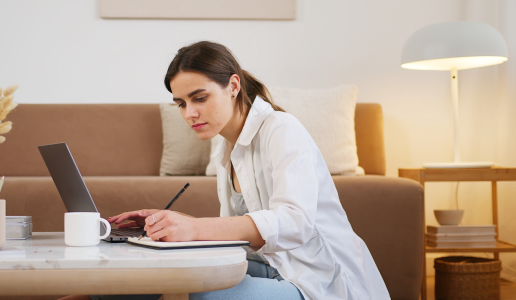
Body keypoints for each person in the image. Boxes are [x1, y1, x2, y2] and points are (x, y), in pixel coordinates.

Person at [63, 41, 390, 300]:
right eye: (180, 103)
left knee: (193, 292)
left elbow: (295, 223)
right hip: (265, 267)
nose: (189, 113)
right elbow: (235, 234)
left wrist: (195, 229)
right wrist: (167, 223)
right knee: (130, 281)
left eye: (199, 98)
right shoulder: (225, 147)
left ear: (233, 86)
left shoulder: (281, 128)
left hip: (312, 281)